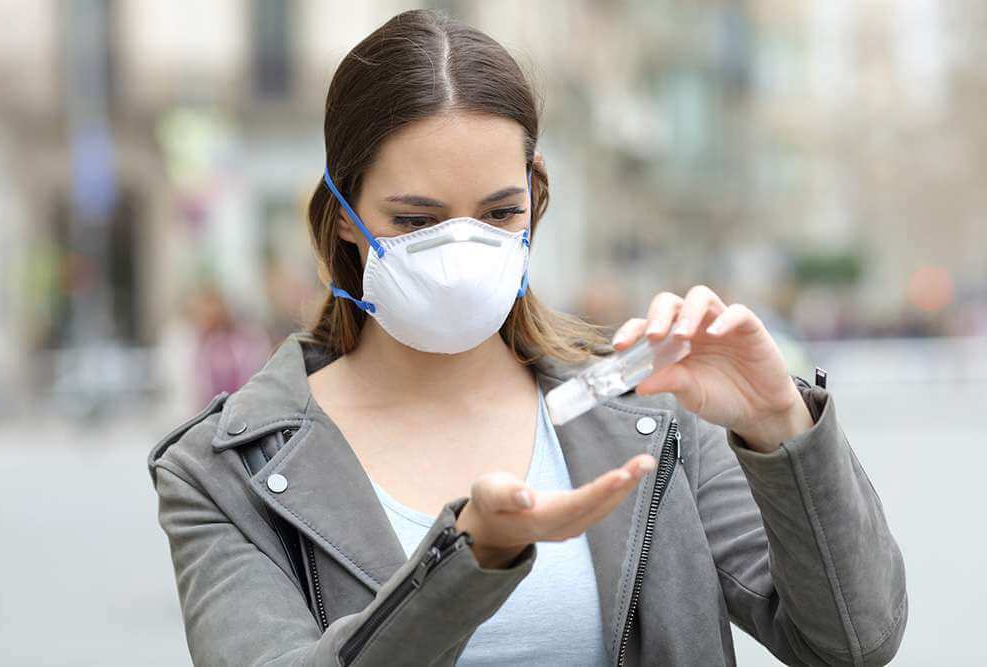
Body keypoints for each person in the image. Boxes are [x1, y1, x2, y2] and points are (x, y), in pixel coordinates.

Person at [147, 9, 906, 666]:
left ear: (535, 200)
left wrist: (780, 425)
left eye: (499, 213)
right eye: (415, 220)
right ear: (343, 213)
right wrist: (468, 559)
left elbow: (852, 640)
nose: (459, 251)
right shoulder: (223, 472)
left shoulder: (653, 410)